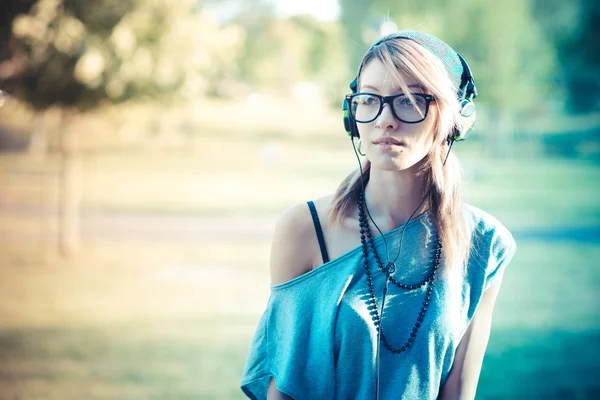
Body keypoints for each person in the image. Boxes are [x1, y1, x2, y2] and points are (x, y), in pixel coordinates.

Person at [240, 30, 516, 400]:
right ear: (351, 115)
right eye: (369, 99)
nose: (385, 120)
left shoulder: (484, 242)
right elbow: (286, 387)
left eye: (410, 100)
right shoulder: (304, 229)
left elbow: (458, 392)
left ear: (451, 121)